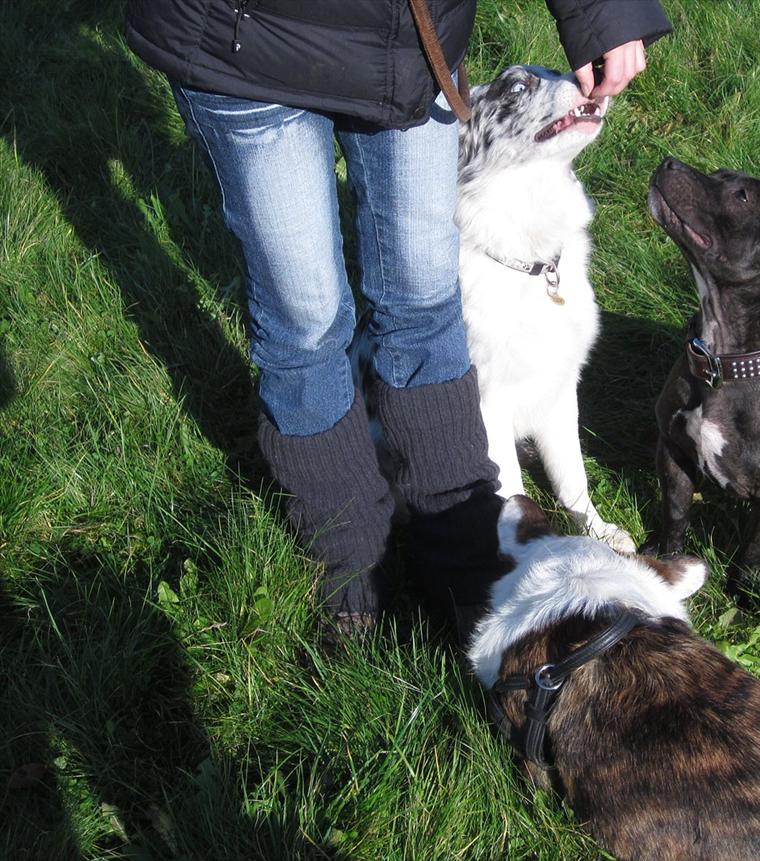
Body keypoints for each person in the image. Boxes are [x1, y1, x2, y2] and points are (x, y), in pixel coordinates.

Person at [124, 1, 671, 643]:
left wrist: (599, 12)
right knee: (306, 321)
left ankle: (466, 543)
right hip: (243, 37)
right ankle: (352, 553)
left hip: (410, 40)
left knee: (423, 300)